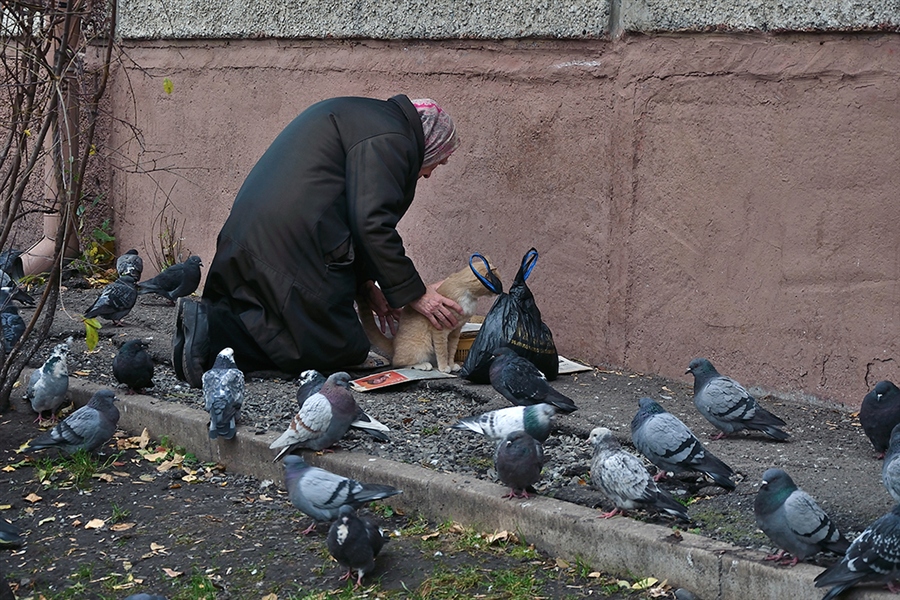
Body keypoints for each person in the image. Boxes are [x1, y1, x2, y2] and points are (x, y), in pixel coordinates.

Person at [172, 95, 464, 387]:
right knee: (337, 346)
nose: (427, 174)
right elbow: (372, 223)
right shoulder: (392, 138)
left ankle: (206, 326)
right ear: (430, 143)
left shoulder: (373, 120)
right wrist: (416, 294)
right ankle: (210, 335)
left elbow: (354, 212)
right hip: (293, 244)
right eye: (437, 163)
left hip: (257, 234)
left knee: (262, 308)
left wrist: (366, 284)